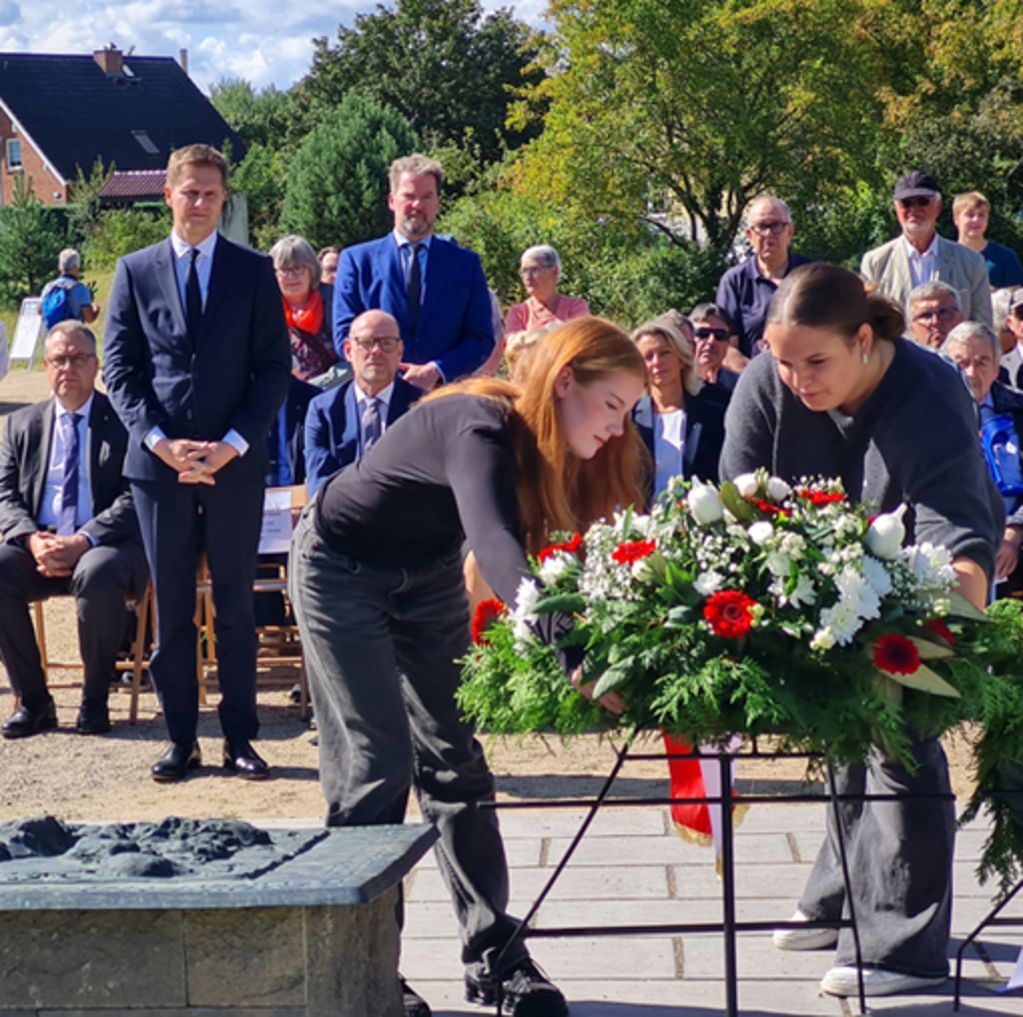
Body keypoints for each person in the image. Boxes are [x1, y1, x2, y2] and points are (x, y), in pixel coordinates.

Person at [289, 316, 647, 1017]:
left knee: (456, 760)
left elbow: (568, 551)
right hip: (339, 570)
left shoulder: (549, 449)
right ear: (565, 380)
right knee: (376, 765)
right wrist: (571, 650)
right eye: (611, 405)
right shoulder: (476, 424)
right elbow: (495, 544)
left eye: (629, 412)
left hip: (422, 579)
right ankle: (363, 972)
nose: (616, 427)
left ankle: (493, 957)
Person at [720, 262, 1001, 998]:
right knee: (837, 723)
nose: (797, 380)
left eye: (816, 362)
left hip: (922, 571)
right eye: (783, 361)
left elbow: (957, 530)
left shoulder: (928, 390)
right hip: (803, 570)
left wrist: (934, 639)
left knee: (895, 723)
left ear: (866, 340)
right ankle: (845, 892)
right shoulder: (766, 382)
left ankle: (904, 945)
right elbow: (731, 506)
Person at [103, 143, 291, 783]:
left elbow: (273, 368)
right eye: (191, 193)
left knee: (237, 607)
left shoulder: (252, 269)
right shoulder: (134, 270)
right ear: (170, 196)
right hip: (159, 468)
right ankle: (180, 739)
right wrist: (161, 443)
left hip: (234, 466)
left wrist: (231, 444)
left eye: (213, 194)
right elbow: (121, 371)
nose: (202, 204)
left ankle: (241, 738)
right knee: (174, 609)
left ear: (223, 198)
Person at [0, 322, 148, 737]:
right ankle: (34, 701)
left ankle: (94, 699)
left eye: (78, 358)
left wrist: (83, 540)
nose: (68, 367)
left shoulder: (123, 421)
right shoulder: (21, 424)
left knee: (97, 572)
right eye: (59, 360)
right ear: (46, 367)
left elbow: (136, 495)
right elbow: (4, 495)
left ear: (96, 365)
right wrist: (32, 539)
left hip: (107, 546)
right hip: (39, 543)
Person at [333, 154, 494, 390]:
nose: (417, 205)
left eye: (427, 197)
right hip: (378, 397)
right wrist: (388, 370)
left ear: (438, 202)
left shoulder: (465, 264)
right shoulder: (357, 262)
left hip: (443, 397)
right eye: (409, 196)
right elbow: (343, 336)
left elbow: (481, 339)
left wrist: (437, 370)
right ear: (391, 201)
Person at [941, 321, 1023, 591]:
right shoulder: (926, 416)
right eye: (961, 362)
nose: (971, 373)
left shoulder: (1018, 409)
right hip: (950, 544)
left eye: (982, 362)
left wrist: (1014, 533)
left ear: (997, 369)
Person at [304, 309, 419, 495]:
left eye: (387, 343)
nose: (376, 351)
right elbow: (320, 485)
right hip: (343, 516)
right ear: (348, 351)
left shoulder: (422, 408)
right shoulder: (322, 410)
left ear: (400, 351)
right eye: (366, 343)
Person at [860, 170, 992, 327]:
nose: (914, 209)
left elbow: (983, 326)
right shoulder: (876, 262)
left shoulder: (971, 262)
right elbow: (869, 325)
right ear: (896, 209)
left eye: (922, 201)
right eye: (906, 203)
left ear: (938, 206)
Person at [630, 316, 725, 504]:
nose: (657, 362)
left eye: (664, 353)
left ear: (681, 358)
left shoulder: (714, 416)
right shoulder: (630, 420)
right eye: (648, 357)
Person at [715, 195, 815, 358]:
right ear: (749, 235)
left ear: (790, 232)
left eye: (776, 226)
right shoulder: (734, 281)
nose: (769, 234)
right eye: (761, 227)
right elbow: (726, 348)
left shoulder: (812, 276)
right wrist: (758, 378)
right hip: (752, 376)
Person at [270, 235, 340, 383]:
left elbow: (352, 356)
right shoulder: (265, 310)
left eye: (298, 268)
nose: (291, 276)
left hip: (333, 392)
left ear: (312, 270)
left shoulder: (335, 302)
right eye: (284, 269)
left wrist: (320, 385)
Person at [504, 245, 590, 334]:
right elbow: (514, 345)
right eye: (524, 271)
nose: (528, 277)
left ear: (554, 272)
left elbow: (580, 340)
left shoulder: (576, 307)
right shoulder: (519, 313)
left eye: (534, 270)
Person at [952, 190, 1023, 291]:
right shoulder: (945, 257)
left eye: (981, 215)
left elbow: (1018, 297)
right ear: (956, 219)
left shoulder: (1005, 257)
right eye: (970, 215)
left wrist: (995, 293)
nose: (976, 220)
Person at [40, 248, 100, 329]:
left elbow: (40, 310)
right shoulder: (80, 289)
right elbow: (89, 318)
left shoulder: (49, 287)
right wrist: (96, 310)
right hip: (73, 335)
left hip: (53, 335)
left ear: (60, 267)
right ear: (75, 266)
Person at [690, 303, 741, 395]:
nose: (711, 341)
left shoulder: (739, 387)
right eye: (703, 334)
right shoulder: (675, 384)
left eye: (720, 335)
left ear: (728, 343)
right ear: (688, 338)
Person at [905, 280, 964, 350]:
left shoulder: (975, 359)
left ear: (961, 320)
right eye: (926, 315)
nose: (935, 322)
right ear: (911, 328)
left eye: (944, 313)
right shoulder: (899, 360)